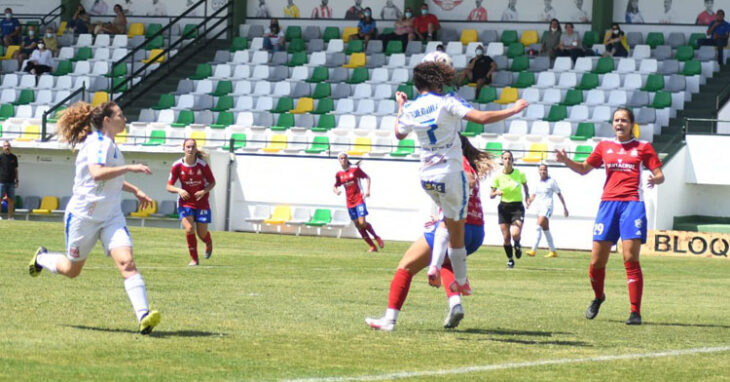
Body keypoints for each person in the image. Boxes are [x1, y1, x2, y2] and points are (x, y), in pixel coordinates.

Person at [394, 55, 528, 294]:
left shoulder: (412, 108)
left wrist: (401, 106)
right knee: (456, 230)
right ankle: (461, 281)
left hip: (426, 177)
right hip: (450, 174)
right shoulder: (446, 101)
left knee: (445, 222)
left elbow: (399, 134)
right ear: (437, 82)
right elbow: (482, 118)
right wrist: (513, 109)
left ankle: (435, 266)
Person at [27, 101, 161, 335]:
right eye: (120, 115)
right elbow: (97, 173)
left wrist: (134, 190)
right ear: (107, 120)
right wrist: (131, 167)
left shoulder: (108, 144)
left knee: (127, 262)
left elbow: (110, 178)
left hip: (110, 216)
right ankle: (42, 259)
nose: (125, 119)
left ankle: (144, 317)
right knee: (71, 270)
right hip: (83, 217)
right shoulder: (99, 143)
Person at [365, 136, 495, 331]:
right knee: (446, 262)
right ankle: (455, 305)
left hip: (458, 228)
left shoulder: (454, 159)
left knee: (406, 266)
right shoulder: (459, 160)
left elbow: (466, 180)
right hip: (475, 231)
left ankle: (389, 320)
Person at [556, 107, 664, 326]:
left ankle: (635, 312)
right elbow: (584, 168)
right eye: (616, 120)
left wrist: (656, 180)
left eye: (624, 120)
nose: (619, 124)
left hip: (633, 204)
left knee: (630, 258)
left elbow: (659, 174)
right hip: (608, 205)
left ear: (632, 124)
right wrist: (566, 161)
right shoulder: (604, 146)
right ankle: (598, 297)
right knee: (596, 262)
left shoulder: (643, 147)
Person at [167, 138, 216, 266]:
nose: (190, 149)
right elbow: (169, 186)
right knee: (189, 229)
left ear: (195, 149)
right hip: (185, 202)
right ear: (183, 148)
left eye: (192, 147)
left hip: (202, 202)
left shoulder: (202, 165)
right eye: (187, 147)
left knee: (202, 234)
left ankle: (208, 242)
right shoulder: (177, 165)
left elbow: (212, 182)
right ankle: (194, 259)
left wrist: (204, 191)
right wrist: (179, 190)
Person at [333, 152, 384, 253]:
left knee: (362, 222)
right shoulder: (339, 174)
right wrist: (336, 191)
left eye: (344, 158)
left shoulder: (355, 169)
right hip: (349, 202)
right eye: (340, 158)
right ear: (338, 160)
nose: (342, 160)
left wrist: (368, 190)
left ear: (347, 159)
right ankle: (373, 246)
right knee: (357, 225)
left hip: (359, 199)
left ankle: (376, 237)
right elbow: (335, 185)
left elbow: (367, 177)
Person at [491, 150, 530, 269]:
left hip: (517, 207)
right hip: (503, 207)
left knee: (515, 233)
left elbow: (525, 184)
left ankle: (517, 243)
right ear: (502, 160)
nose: (507, 161)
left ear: (512, 161)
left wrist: (527, 196)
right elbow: (491, 194)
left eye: (509, 158)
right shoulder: (498, 176)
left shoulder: (519, 173)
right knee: (506, 237)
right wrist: (496, 192)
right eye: (505, 158)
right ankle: (510, 259)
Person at [525, 163, 568, 258]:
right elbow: (534, 195)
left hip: (547, 207)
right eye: (541, 170)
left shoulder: (551, 181)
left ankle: (533, 250)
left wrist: (564, 207)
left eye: (544, 170)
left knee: (538, 227)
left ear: (547, 171)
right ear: (538, 171)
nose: (542, 171)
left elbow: (559, 194)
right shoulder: (538, 182)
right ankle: (553, 251)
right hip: (539, 208)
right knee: (546, 229)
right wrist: (529, 202)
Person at [0, 140, 18, 220]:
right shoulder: (0, 157)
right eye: (5, 146)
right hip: (1, 181)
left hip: (11, 182)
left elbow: (16, 170)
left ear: (10, 147)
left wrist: (17, 180)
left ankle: (10, 217)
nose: (7, 147)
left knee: (11, 200)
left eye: (8, 146)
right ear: (3, 147)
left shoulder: (14, 157)